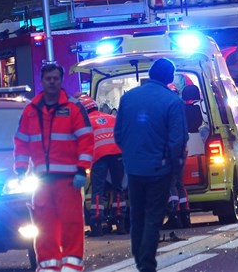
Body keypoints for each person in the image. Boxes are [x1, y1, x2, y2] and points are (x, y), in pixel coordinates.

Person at [13, 62, 93, 272]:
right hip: (42, 179)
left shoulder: (73, 108)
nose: (52, 82)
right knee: (44, 225)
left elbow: (86, 139)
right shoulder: (31, 111)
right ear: (41, 81)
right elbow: (22, 142)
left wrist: (81, 169)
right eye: (48, 78)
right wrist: (21, 168)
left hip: (68, 179)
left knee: (71, 223)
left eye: (55, 78)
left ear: (61, 80)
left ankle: (71, 264)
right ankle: (48, 265)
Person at [114, 58, 188, 272]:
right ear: (168, 76)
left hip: (134, 167)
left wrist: (130, 154)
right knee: (154, 216)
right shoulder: (172, 101)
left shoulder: (128, 98)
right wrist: (175, 167)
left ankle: (138, 256)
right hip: (159, 168)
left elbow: (118, 133)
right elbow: (177, 140)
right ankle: (146, 263)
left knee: (137, 214)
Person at [77, 93, 127, 237]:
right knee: (118, 188)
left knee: (97, 190)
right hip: (118, 154)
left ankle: (97, 224)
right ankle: (120, 221)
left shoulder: (85, 122)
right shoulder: (112, 117)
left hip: (99, 157)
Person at [163, 83, 192, 230]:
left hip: (172, 150)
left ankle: (175, 216)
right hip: (182, 149)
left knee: (170, 183)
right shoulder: (180, 107)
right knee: (179, 183)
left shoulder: (169, 108)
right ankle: (185, 216)